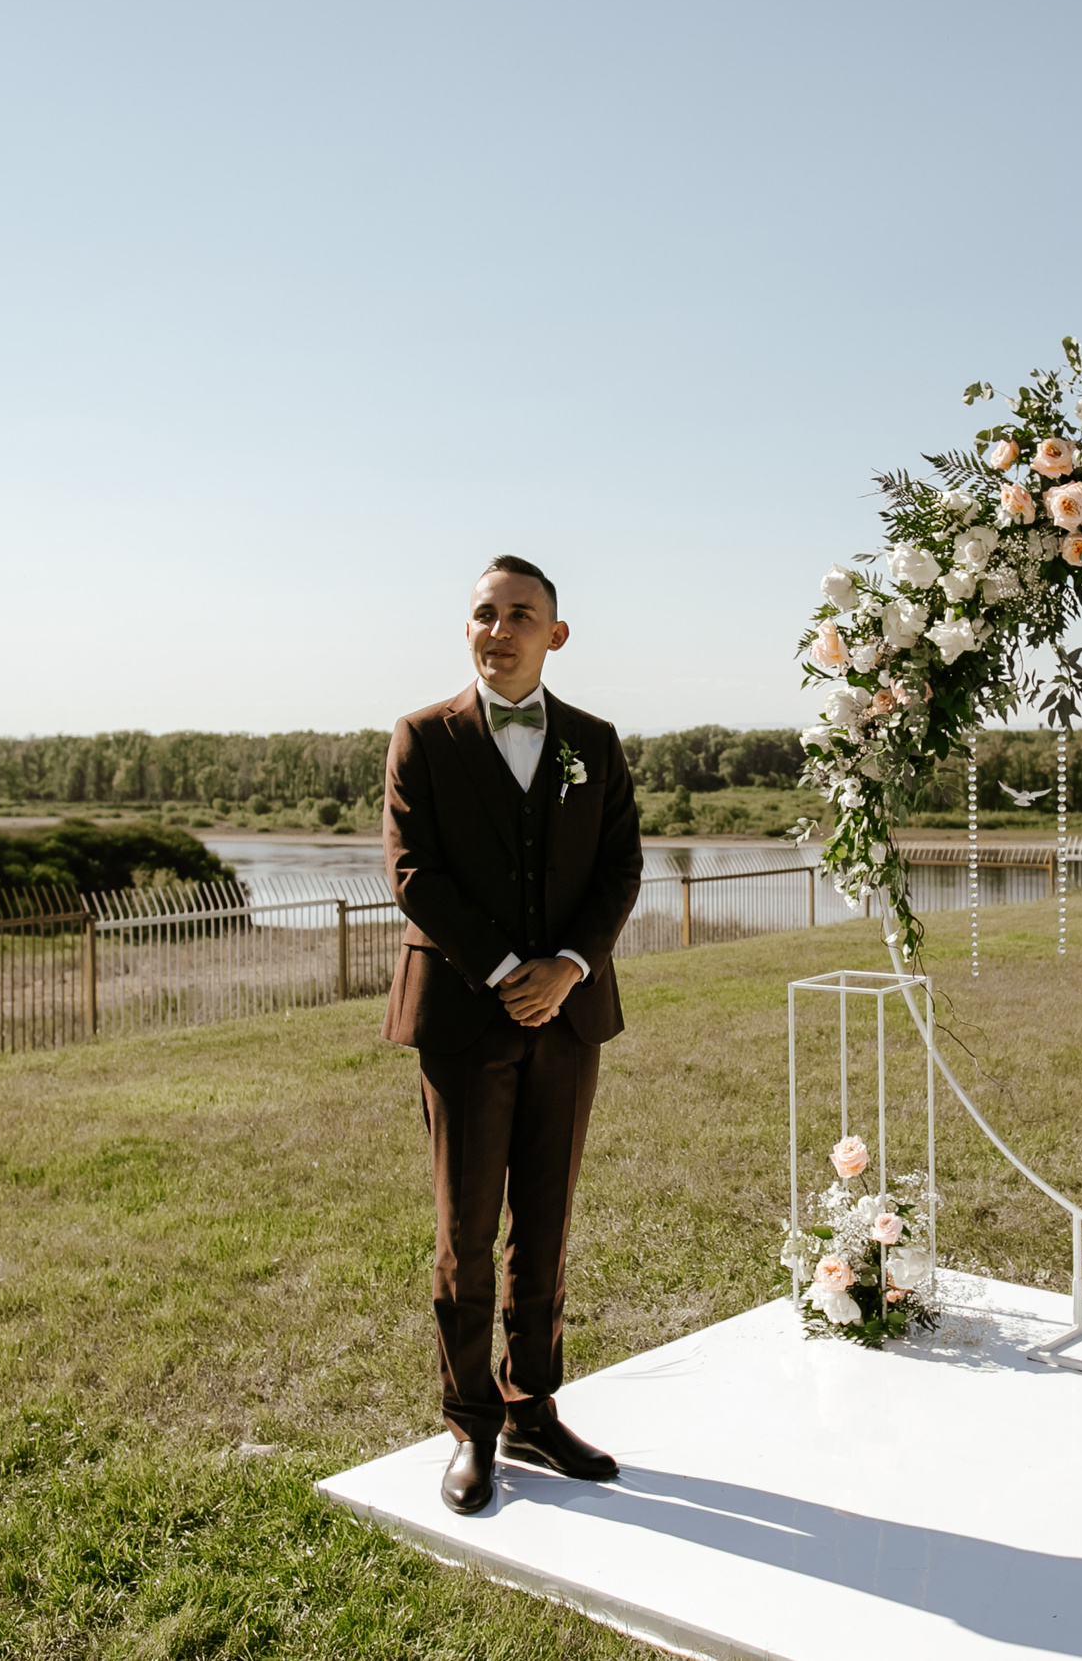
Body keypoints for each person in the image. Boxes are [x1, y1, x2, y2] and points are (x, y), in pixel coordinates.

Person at [381, 554, 643, 1515]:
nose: (499, 630)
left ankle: (535, 1406)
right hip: (461, 1014)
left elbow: (620, 869)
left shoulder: (595, 742)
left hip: (571, 1017)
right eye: (484, 615)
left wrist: (566, 966)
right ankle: (471, 1427)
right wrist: (504, 971)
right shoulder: (422, 736)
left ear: (555, 635)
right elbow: (414, 873)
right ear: (469, 629)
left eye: (520, 615)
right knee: (465, 1230)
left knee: (546, 1221)